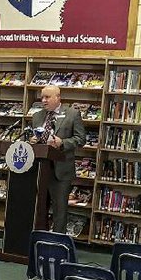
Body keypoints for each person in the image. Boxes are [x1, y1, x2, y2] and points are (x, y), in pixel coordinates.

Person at [30, 85, 86, 234]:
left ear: (58, 97)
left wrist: (63, 143)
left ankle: (56, 243)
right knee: (38, 208)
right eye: (42, 97)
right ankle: (38, 238)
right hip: (40, 171)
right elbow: (33, 141)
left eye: (47, 97)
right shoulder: (37, 116)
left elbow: (81, 140)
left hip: (61, 171)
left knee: (59, 211)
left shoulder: (72, 114)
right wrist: (33, 141)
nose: (43, 100)